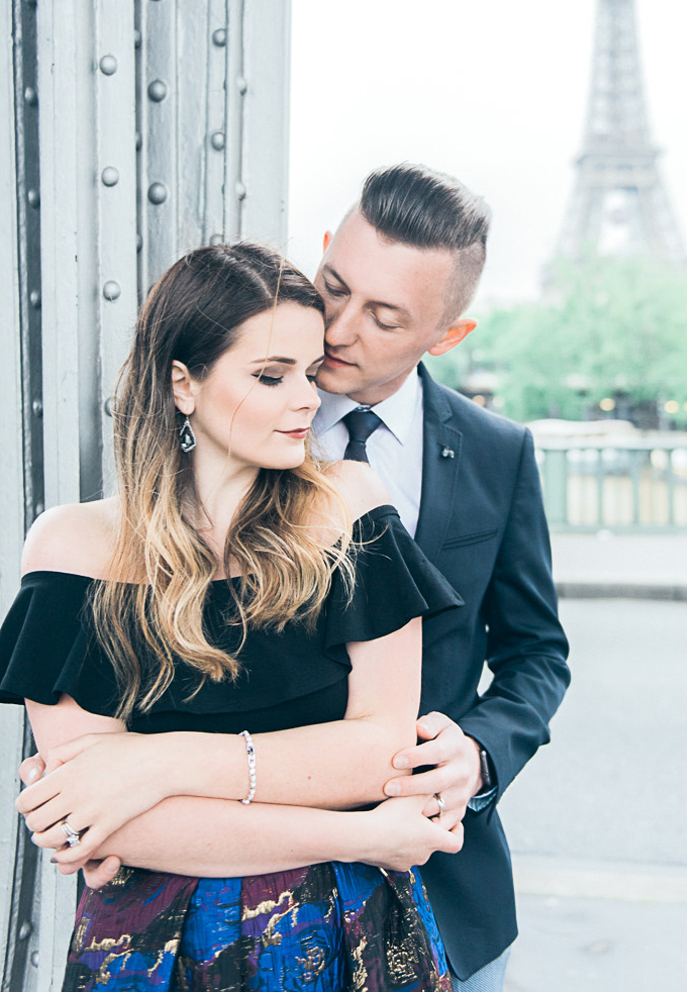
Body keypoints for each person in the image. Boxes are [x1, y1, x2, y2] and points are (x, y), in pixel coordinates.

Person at [1, 242, 463, 991]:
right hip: (153, 948)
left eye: (311, 373)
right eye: (271, 376)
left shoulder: (349, 507)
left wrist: (158, 765)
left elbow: (381, 752)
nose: (307, 400)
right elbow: (100, 818)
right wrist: (361, 833)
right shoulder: (73, 548)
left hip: (345, 935)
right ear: (182, 382)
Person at [309, 163, 571, 989]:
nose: (337, 328)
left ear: (447, 335)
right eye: (332, 287)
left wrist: (478, 756)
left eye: (383, 316)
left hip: (448, 892)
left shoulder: (499, 452)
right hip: (261, 874)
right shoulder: (242, 415)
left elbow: (536, 655)